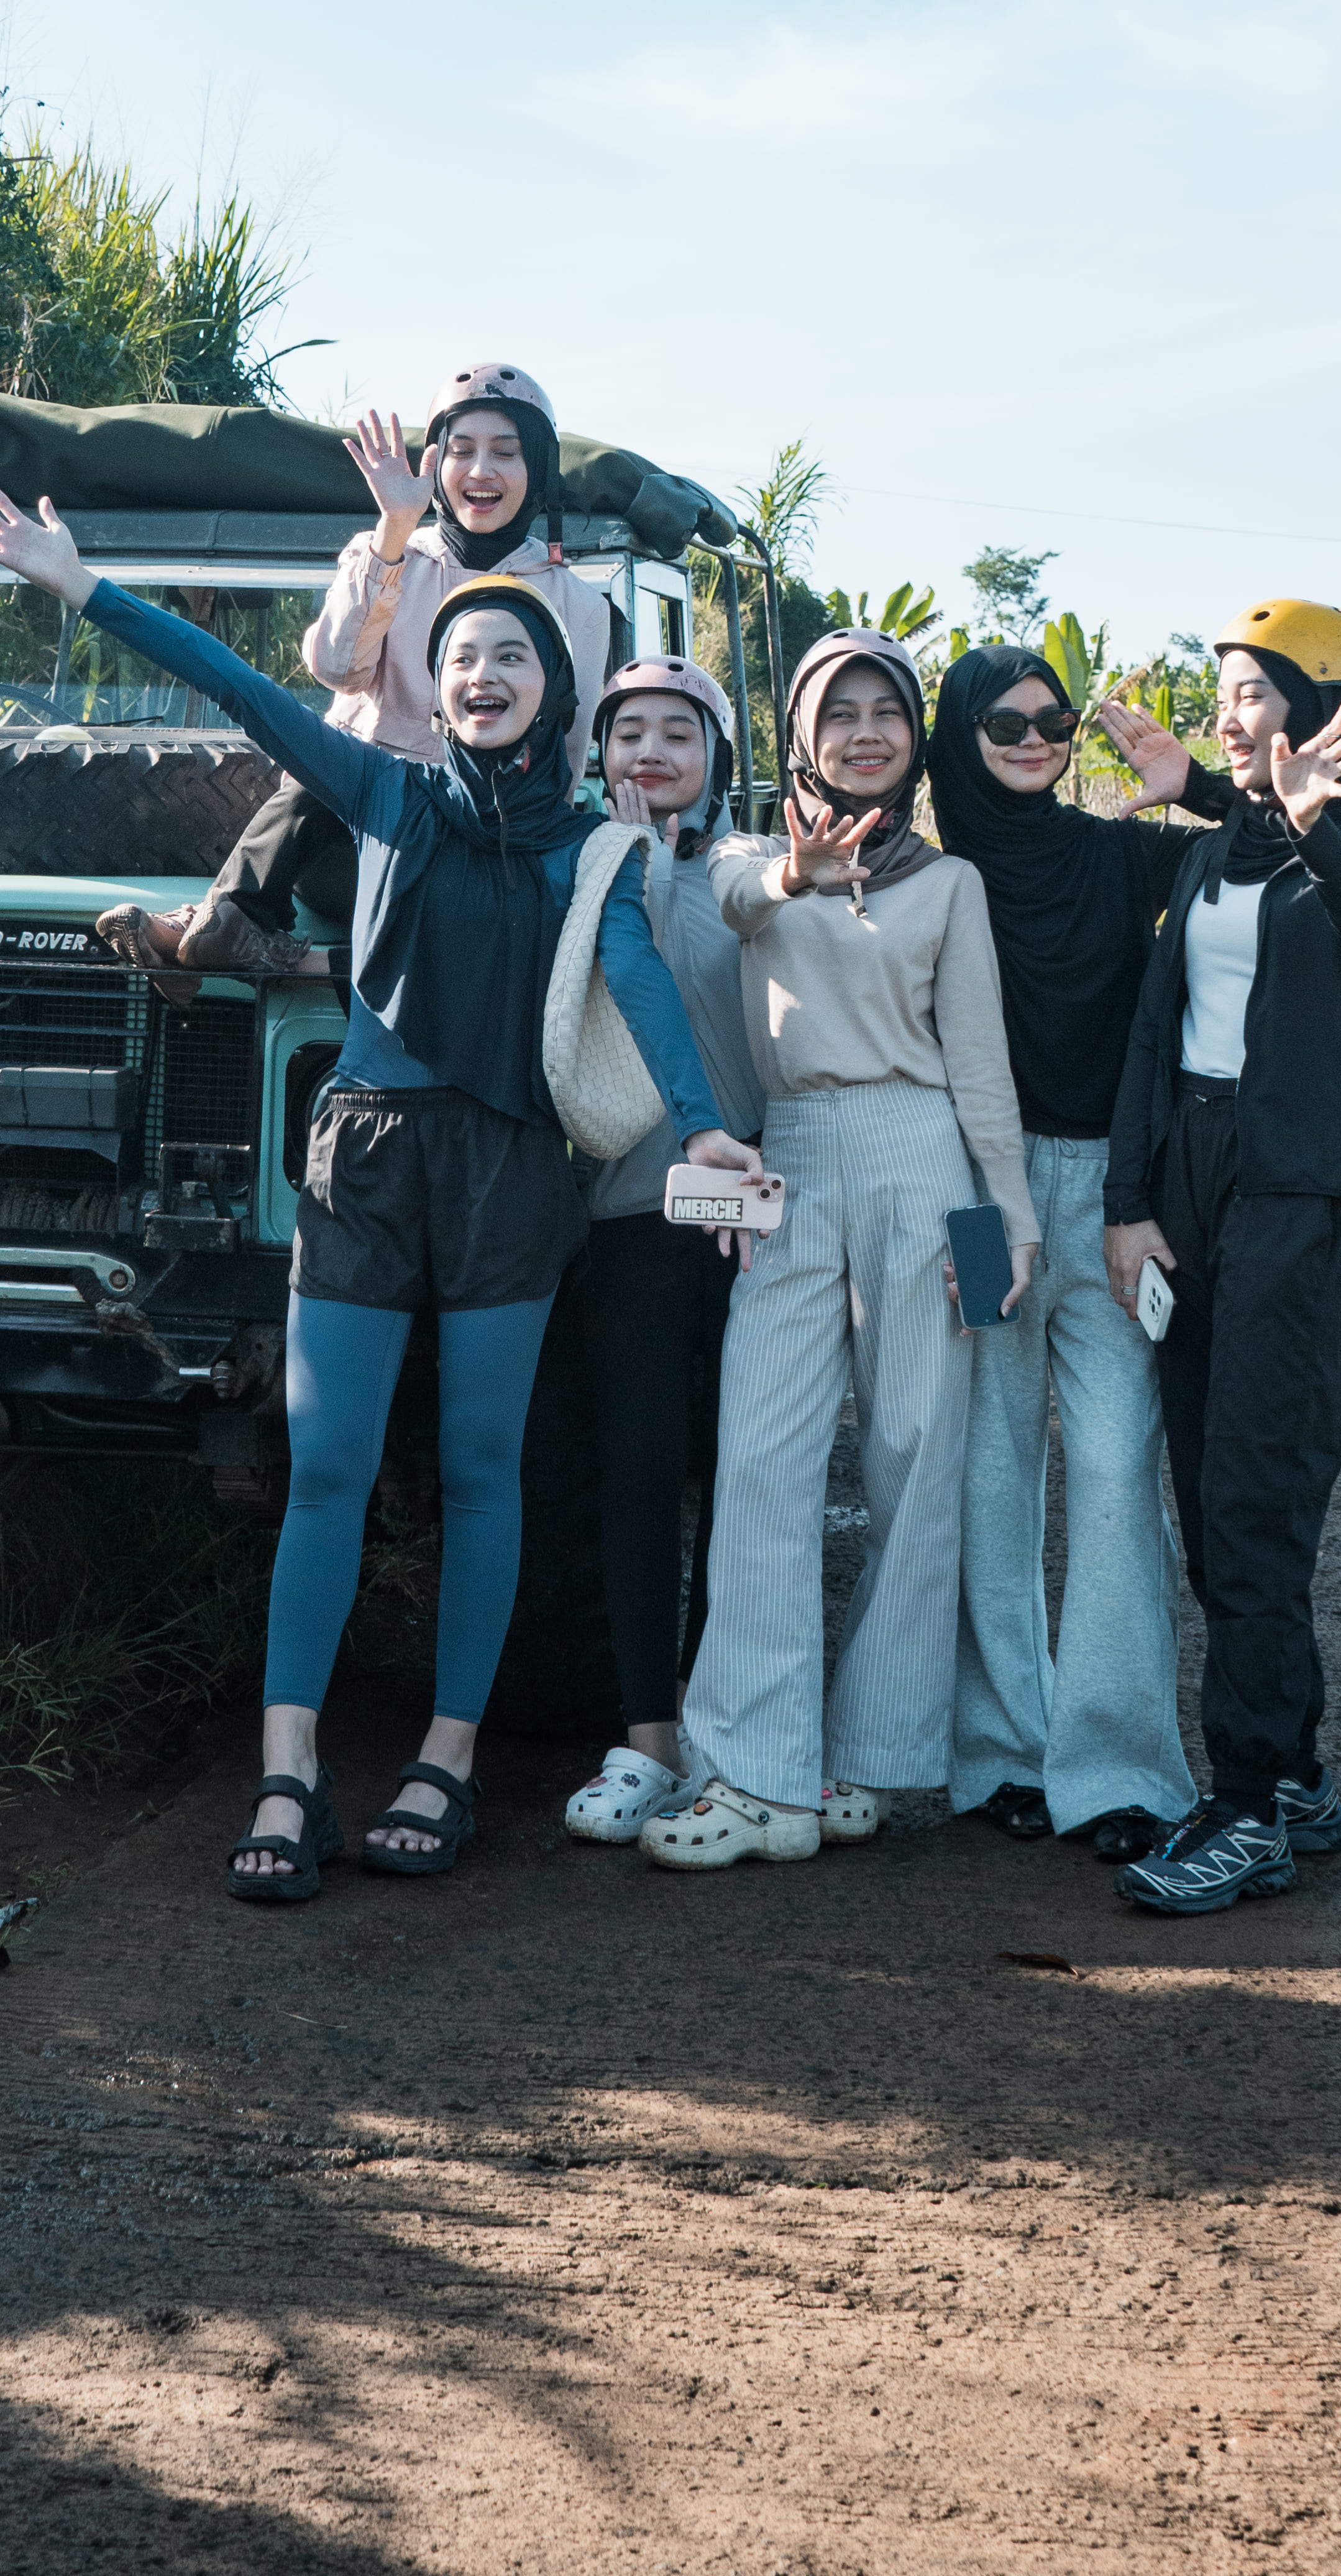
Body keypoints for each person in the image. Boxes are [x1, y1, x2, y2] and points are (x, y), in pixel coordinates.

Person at [0, 479, 762, 1906]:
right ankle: (289, 1771)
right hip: (369, 1153)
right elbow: (239, 689)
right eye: (461, 654)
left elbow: (638, 989)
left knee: (479, 1471)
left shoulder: (591, 852)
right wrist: (81, 587)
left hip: (509, 1169)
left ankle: (445, 1760)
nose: (484, 670)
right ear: (433, 689)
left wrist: (700, 1131)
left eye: (512, 654)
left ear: (553, 691)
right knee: (325, 1464)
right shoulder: (384, 791)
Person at [642, 632, 1039, 1874]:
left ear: (913, 741)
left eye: (887, 714)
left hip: (927, 1156)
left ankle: (872, 1756)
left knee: (918, 1453)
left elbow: (978, 1068)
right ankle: (754, 1775)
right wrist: (799, 873)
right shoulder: (746, 856)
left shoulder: (949, 883)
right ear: (801, 739)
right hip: (794, 1154)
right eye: (839, 715)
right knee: (760, 1456)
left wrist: (1009, 1221)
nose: (865, 734)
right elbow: (740, 904)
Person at [1101, 603, 1341, 1915]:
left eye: (1247, 691)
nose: (1224, 713)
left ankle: (1243, 1809)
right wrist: (1127, 1205)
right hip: (1187, 1180)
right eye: (1223, 692)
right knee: (1205, 1488)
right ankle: (1290, 1773)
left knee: (1256, 1495)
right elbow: (1153, 1033)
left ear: (1321, 707)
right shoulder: (1211, 857)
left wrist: (1309, 822)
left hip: (1295, 1196)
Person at [930, 649, 1233, 1865]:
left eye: (1052, 719)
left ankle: (1116, 1771)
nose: (1032, 738)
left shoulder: (1119, 855)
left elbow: (1292, 848)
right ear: (957, 737)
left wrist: (1194, 785)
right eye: (1000, 722)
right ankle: (1001, 1753)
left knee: (1115, 1470)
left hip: (1116, 1200)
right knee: (991, 1469)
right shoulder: (928, 875)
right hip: (973, 1195)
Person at [101, 362, 611, 988]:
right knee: (326, 765)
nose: (481, 471)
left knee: (467, 939)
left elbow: (566, 753)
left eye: (506, 453)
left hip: (475, 842)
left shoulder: (576, 603)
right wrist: (394, 531)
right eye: (461, 450)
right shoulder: (388, 552)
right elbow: (338, 670)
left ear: (539, 469)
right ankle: (228, 921)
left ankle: (244, 942)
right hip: (344, 833)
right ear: (436, 463)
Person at [562, 657, 764, 1846]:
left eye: (678, 733)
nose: (650, 751)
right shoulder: (586, 871)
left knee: (743, 1476)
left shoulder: (750, 868)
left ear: (716, 755)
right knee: (638, 1473)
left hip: (754, 1218)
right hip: (628, 1216)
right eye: (627, 730)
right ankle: (647, 1738)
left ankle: (720, 1725)